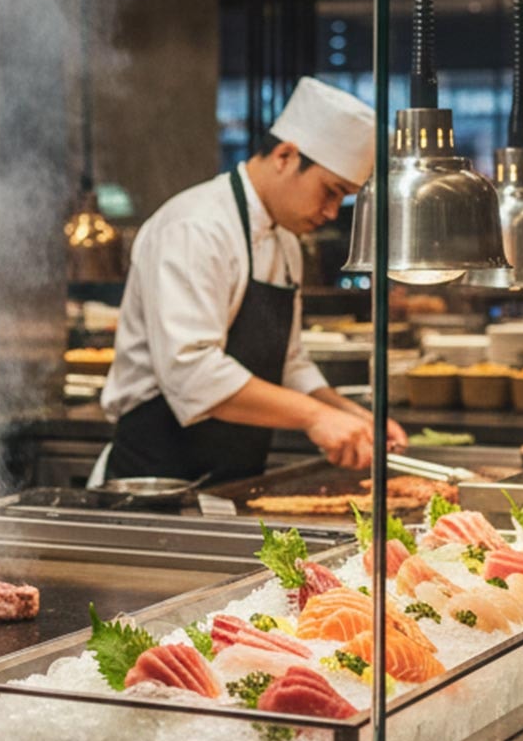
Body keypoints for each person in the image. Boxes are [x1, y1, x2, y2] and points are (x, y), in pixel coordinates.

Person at [101, 77, 407, 484]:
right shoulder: (197, 227)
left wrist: (349, 414)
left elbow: (289, 363)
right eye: (331, 192)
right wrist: (315, 417)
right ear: (285, 156)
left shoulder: (286, 240)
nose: (333, 212)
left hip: (233, 478)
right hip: (155, 479)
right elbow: (192, 373)